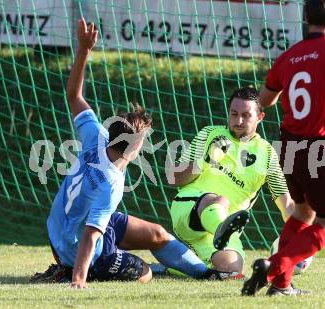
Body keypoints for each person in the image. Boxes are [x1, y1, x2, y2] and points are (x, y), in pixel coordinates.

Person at [40, 18, 224, 288]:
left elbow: (73, 96)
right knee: (145, 273)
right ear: (135, 145)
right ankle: (75, 272)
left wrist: (84, 50)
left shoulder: (96, 136)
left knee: (157, 234)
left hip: (65, 230)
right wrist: (78, 280)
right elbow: (91, 235)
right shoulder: (110, 184)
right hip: (77, 250)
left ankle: (209, 274)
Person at [242, 0, 325, 296]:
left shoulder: (288, 57)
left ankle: (281, 286)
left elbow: (264, 101)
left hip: (289, 145)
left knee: (303, 213)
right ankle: (274, 265)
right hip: (318, 145)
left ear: (306, 16)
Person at [168, 86, 295, 274]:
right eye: (234, 114)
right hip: (189, 209)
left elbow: (287, 205)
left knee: (231, 269)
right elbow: (174, 178)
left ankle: (174, 267)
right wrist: (205, 161)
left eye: (246, 115)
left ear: (260, 117)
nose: (239, 121)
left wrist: (321, 238)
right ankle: (221, 227)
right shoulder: (210, 133)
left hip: (222, 233)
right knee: (220, 200)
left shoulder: (267, 155)